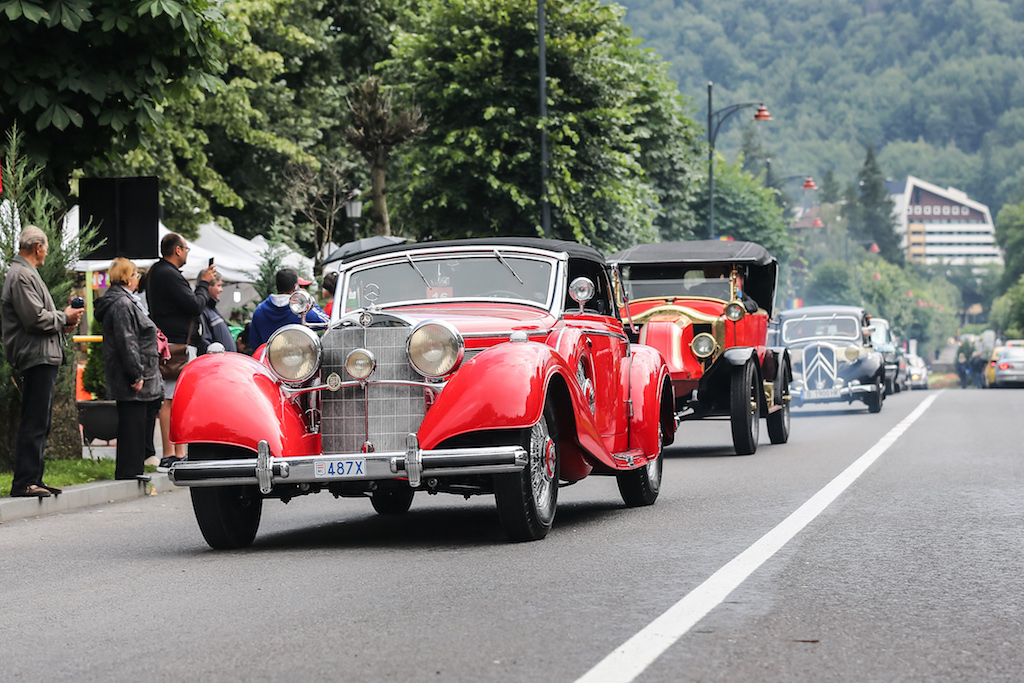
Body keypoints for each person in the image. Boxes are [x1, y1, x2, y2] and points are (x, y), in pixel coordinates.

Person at [1, 226, 85, 497]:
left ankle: (33, 478)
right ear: (38, 247)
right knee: (35, 420)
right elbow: (35, 318)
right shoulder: (22, 275)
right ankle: (25, 481)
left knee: (40, 420)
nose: (47, 252)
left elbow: (39, 318)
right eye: (46, 247)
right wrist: (64, 317)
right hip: (36, 355)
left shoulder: (25, 273)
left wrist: (63, 323)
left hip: (40, 354)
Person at [147, 232, 216, 471]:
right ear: (177, 250)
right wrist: (203, 284)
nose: (187, 253)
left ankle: (178, 452)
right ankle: (169, 453)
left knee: (177, 399)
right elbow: (194, 305)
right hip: (176, 346)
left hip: (174, 343)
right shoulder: (167, 274)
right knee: (169, 399)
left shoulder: (159, 273)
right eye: (186, 249)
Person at [93, 258, 163, 482]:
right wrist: (136, 374)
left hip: (132, 371)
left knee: (134, 421)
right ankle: (130, 470)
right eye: (134, 275)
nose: (137, 279)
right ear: (125, 277)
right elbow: (128, 342)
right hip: (131, 374)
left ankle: (132, 469)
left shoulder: (123, 301)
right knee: (132, 423)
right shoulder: (123, 304)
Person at [249, 268, 327, 350]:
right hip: (297, 360)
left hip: (268, 360)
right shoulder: (301, 309)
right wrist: (306, 300)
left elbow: (255, 343)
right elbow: (325, 321)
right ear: (295, 287)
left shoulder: (259, 310)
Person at [197, 275, 236, 354]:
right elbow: (204, 342)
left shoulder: (212, 309)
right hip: (217, 363)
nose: (221, 290)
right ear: (208, 286)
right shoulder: (202, 310)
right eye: (218, 285)